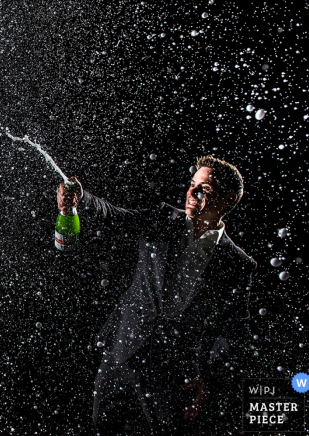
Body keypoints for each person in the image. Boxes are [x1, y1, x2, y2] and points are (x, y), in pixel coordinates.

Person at [57, 156, 257, 434]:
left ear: (229, 199)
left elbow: (234, 332)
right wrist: (84, 198)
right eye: (192, 184)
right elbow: (116, 216)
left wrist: (209, 381)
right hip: (121, 351)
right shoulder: (165, 219)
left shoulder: (237, 264)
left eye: (205, 189)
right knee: (103, 425)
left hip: (173, 373)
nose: (192, 193)